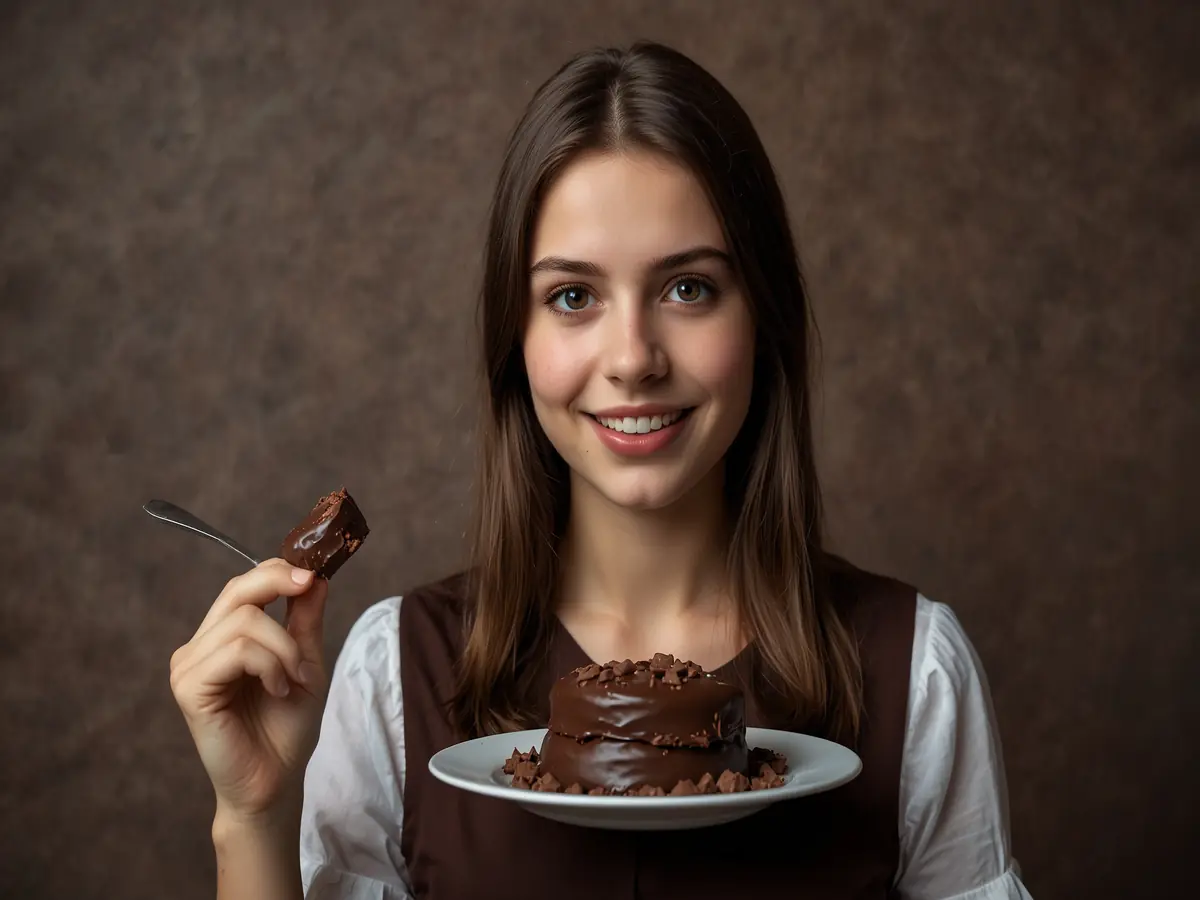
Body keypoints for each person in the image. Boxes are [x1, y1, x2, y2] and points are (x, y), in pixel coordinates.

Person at [169, 42, 1033, 900]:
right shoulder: (396, 677)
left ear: (764, 317)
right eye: (573, 297)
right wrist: (252, 817)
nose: (632, 360)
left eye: (688, 288)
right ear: (519, 340)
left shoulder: (914, 671)